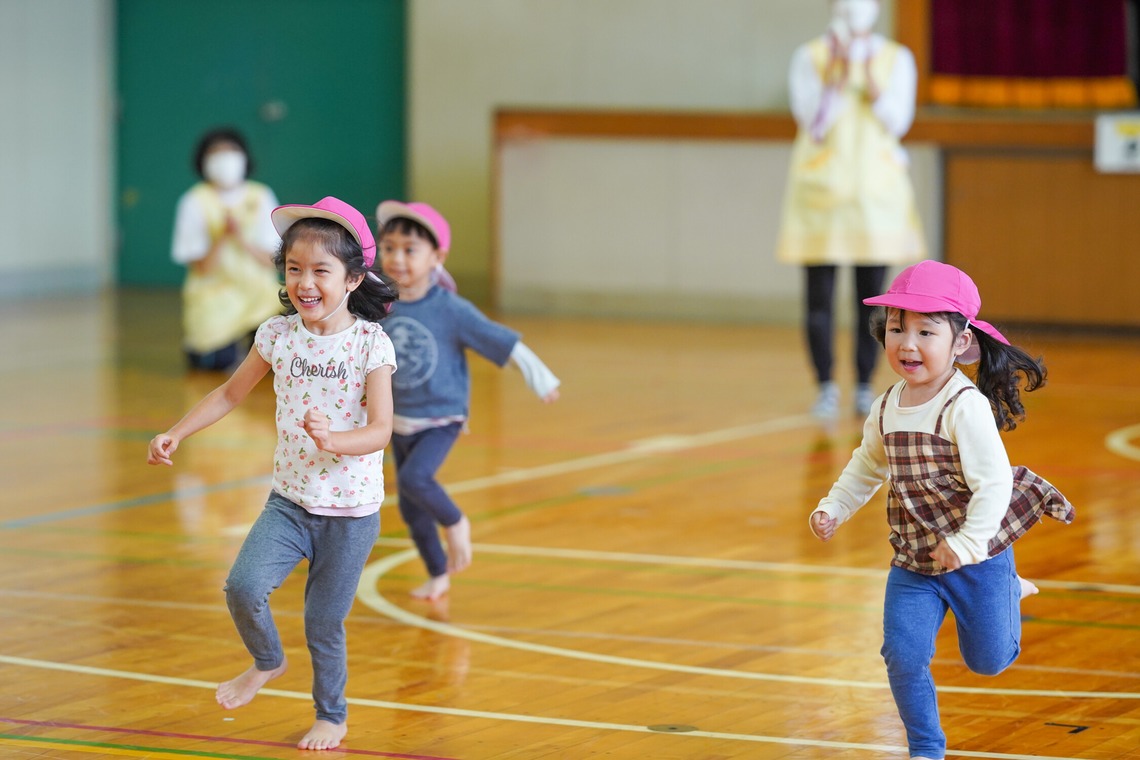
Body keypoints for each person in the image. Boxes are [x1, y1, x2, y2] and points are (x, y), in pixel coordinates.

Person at [147, 196, 398, 751]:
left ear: (354, 279)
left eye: (321, 271)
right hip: (288, 501)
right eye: (294, 269)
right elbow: (229, 393)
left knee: (322, 625)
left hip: (350, 512)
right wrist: (177, 432)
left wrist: (336, 440)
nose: (305, 282)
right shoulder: (278, 335)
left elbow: (381, 429)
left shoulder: (370, 345)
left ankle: (331, 716)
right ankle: (267, 660)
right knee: (242, 586)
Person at [808, 260, 1075, 760]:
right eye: (895, 329)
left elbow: (994, 484)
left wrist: (969, 546)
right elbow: (868, 464)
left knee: (989, 662)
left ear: (960, 342)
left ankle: (1006, 589)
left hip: (977, 557)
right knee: (903, 656)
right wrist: (834, 507)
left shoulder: (964, 406)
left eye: (926, 331)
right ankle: (926, 749)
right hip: (915, 560)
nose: (907, 344)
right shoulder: (886, 405)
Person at [375, 200, 561, 601]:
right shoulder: (377, 304)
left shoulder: (451, 309)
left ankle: (457, 523)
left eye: (410, 249)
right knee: (409, 508)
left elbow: (501, 341)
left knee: (415, 480)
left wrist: (540, 377)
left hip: (441, 417)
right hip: (398, 419)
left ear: (437, 257)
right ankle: (438, 573)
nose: (397, 258)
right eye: (389, 247)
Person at [775, 0, 926, 419]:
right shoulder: (810, 55)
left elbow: (898, 121)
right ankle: (824, 385)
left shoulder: (897, 58)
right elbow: (811, 121)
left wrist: (872, 84)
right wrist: (836, 79)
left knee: (872, 297)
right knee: (819, 295)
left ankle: (864, 384)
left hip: (873, 193)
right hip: (821, 191)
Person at [171, 127, 284, 371]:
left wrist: (242, 240)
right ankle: (226, 350)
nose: (225, 159)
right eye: (216, 153)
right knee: (209, 362)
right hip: (215, 298)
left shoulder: (261, 195)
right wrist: (221, 237)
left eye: (231, 151)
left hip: (260, 295)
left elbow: (274, 260)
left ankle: (246, 349)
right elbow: (202, 268)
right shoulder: (194, 200)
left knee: (276, 354)